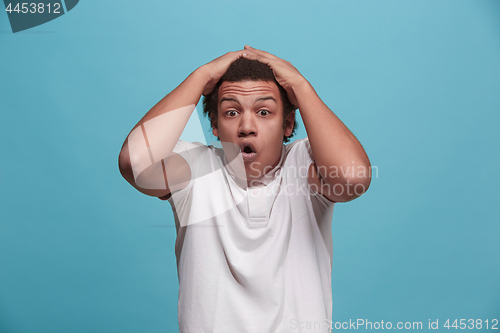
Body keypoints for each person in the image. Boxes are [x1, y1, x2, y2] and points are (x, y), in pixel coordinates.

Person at [118, 46, 371, 333]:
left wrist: (301, 86)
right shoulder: (195, 169)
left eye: (264, 112)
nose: (247, 126)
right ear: (214, 124)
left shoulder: (305, 164)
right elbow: (134, 162)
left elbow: (353, 179)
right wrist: (200, 77)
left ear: (288, 123)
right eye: (231, 112)